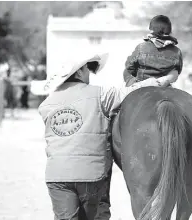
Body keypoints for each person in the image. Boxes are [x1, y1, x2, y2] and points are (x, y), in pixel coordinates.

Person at [38, 51, 168, 220]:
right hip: (91, 174)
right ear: (78, 72)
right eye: (87, 69)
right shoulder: (101, 95)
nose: (89, 74)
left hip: (56, 175)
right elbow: (131, 91)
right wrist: (159, 81)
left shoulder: (46, 104)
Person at [123, 15, 183, 87]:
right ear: (169, 31)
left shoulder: (141, 47)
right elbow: (176, 72)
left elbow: (129, 67)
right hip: (164, 89)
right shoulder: (177, 52)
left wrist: (132, 82)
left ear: (152, 30)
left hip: (140, 87)